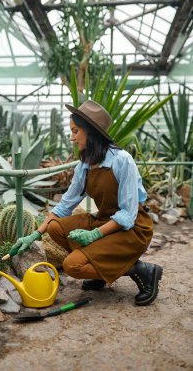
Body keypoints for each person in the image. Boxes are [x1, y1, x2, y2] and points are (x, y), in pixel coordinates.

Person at [11, 100, 163, 306]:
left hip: (133, 229)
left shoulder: (122, 160)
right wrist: (35, 234)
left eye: (75, 131)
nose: (72, 137)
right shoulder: (85, 164)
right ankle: (102, 270)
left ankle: (141, 270)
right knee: (55, 227)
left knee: (72, 266)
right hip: (105, 220)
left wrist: (93, 234)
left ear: (91, 132)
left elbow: (128, 215)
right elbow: (64, 206)